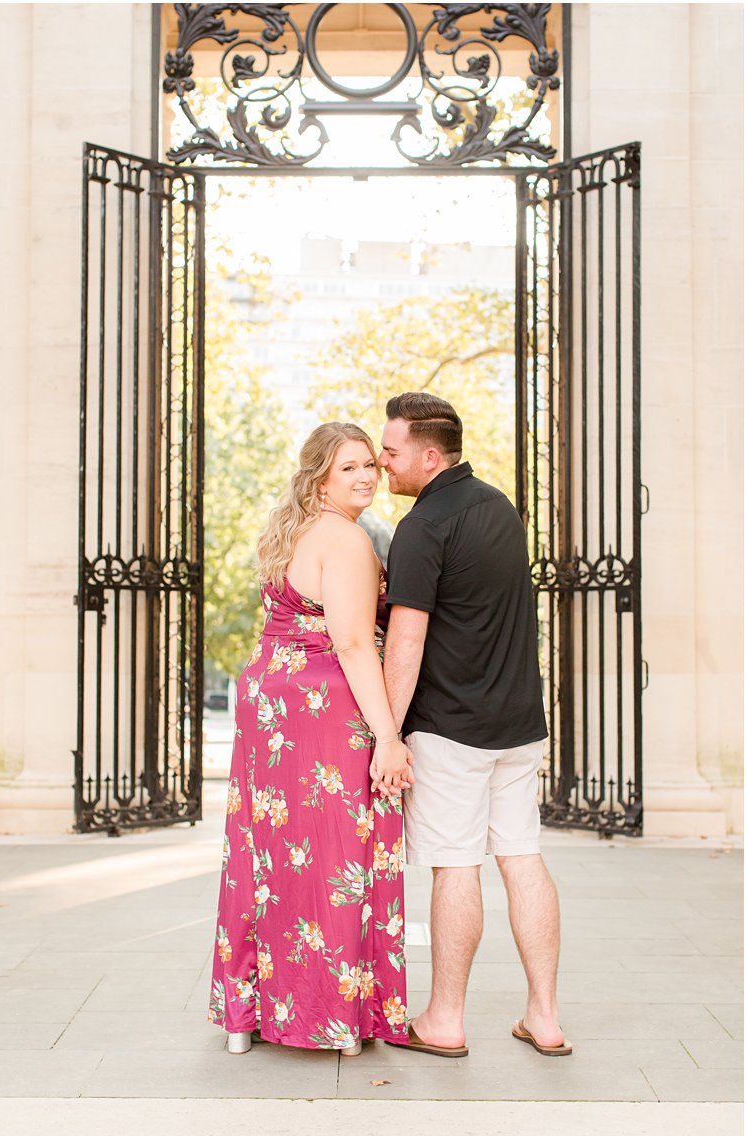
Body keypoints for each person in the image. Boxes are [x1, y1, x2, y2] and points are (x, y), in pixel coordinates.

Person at [209, 422, 412, 1057]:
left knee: (265, 855)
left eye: (370, 467)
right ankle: (334, 1018)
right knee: (334, 854)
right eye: (349, 467)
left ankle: (248, 1017)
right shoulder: (347, 542)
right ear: (320, 475)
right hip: (323, 708)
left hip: (271, 701)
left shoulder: (292, 531)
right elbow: (354, 643)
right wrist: (388, 736)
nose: (366, 477)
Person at [377, 391, 566, 1059]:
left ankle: (445, 1019)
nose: (382, 459)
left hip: (452, 729)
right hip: (519, 725)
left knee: (455, 865)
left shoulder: (423, 526)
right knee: (521, 858)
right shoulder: (499, 507)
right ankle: (544, 1016)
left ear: (430, 455)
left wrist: (386, 734)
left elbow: (405, 641)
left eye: (392, 449)